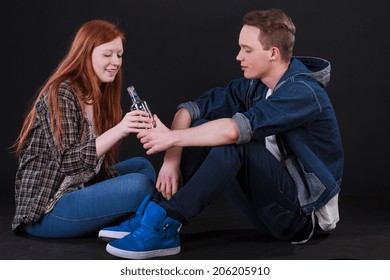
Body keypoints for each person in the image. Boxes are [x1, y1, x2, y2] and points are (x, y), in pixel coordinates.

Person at [101, 8, 344, 259]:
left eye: (247, 49)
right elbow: (189, 110)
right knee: (203, 126)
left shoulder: (303, 92)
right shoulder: (256, 86)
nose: (239, 56)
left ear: (273, 53)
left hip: (302, 218)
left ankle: (166, 224)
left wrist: (170, 138)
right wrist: (171, 161)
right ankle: (154, 214)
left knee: (234, 142)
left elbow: (233, 131)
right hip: (269, 206)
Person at [11, 19, 157, 238]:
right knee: (138, 185)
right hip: (49, 208)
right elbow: (67, 163)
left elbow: (96, 168)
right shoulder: (62, 93)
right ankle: (137, 222)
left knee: (143, 167)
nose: (115, 62)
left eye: (119, 55)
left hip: (81, 189)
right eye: (107, 54)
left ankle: (130, 223)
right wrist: (120, 129)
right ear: (85, 54)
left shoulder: (98, 94)